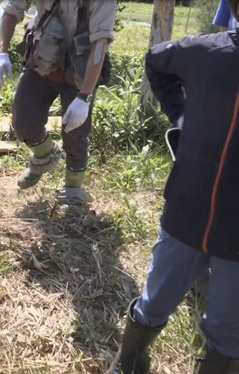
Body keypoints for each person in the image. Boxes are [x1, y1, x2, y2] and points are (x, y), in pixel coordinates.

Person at [106, 2, 239, 372]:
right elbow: (155, 61)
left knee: (228, 328)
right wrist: (180, 113)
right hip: (186, 211)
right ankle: (129, 359)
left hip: (236, 235)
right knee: (156, 299)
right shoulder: (204, 52)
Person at [0, 0, 116, 204]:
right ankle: (44, 157)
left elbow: (100, 43)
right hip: (43, 58)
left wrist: (84, 97)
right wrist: (1, 53)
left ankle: (73, 188)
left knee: (75, 133)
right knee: (23, 121)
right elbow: (12, 10)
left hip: (80, 69)